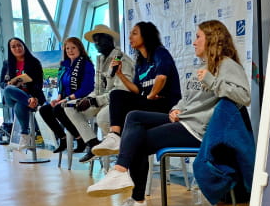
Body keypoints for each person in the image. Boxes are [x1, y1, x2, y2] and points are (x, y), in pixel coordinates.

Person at [87, 19, 251, 206]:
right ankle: (122, 174)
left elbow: (244, 97)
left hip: (198, 130)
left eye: (198, 36)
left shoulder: (227, 64)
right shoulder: (204, 65)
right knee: (134, 117)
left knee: (137, 139)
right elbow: (187, 99)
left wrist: (211, 80)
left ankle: (133, 195)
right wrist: (175, 109)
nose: (194, 42)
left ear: (212, 39)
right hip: (183, 121)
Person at [91, 21, 181, 157]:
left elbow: (161, 77)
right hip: (150, 103)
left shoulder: (159, 53)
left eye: (134, 33)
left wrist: (150, 96)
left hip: (166, 105)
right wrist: (120, 74)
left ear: (146, 36)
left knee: (120, 100)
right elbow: (137, 90)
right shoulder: (140, 62)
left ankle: (117, 138)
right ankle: (117, 138)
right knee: (118, 96)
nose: (130, 37)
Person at [63, 24, 134, 163]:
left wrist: (93, 101)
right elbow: (98, 88)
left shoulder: (121, 60)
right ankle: (93, 143)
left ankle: (123, 156)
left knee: (102, 117)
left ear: (110, 39)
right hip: (102, 101)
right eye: (95, 40)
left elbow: (121, 92)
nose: (97, 43)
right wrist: (89, 99)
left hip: (119, 103)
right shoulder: (101, 60)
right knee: (70, 107)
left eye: (100, 39)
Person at [38, 37, 95, 153]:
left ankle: (80, 139)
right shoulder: (65, 66)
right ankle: (62, 139)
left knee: (58, 110)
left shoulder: (86, 64)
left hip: (80, 99)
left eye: (73, 47)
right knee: (44, 110)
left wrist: (67, 99)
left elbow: (87, 88)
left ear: (80, 48)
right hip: (66, 99)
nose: (70, 50)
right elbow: (62, 85)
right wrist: (58, 98)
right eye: (67, 48)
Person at [0, 38, 46, 150]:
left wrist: (34, 97)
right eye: (13, 46)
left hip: (32, 96)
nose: (17, 48)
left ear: (24, 46)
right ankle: (28, 101)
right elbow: (1, 83)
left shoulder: (34, 62)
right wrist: (9, 83)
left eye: (19, 45)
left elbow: (38, 83)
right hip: (12, 96)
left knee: (20, 105)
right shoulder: (7, 64)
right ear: (10, 49)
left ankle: (25, 134)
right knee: (8, 89)